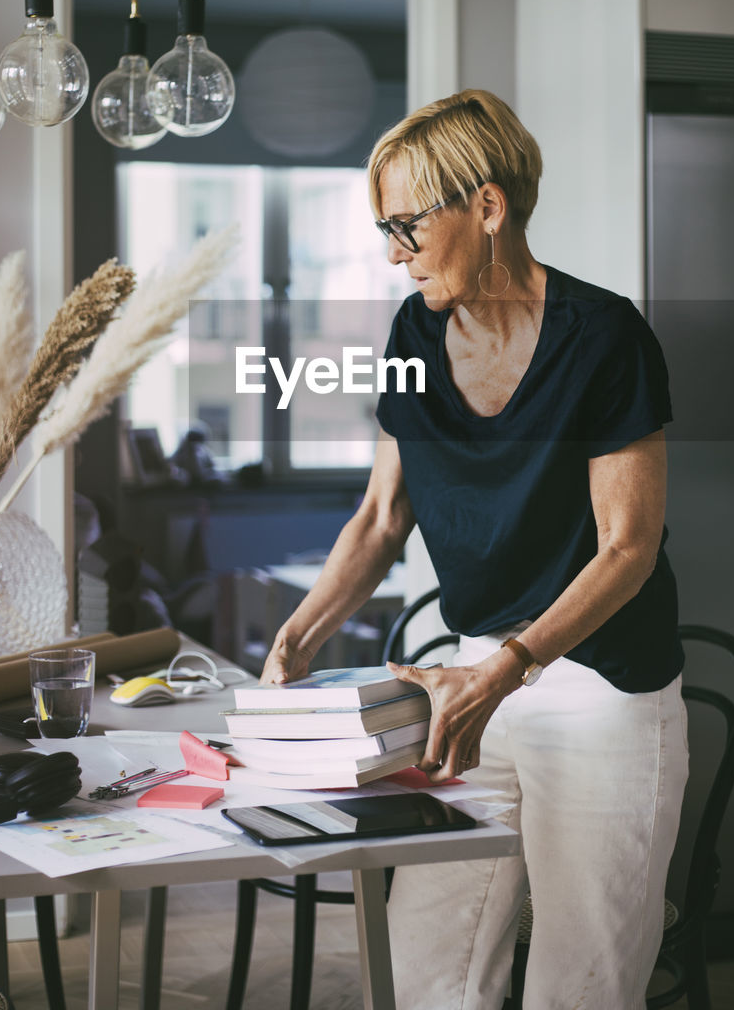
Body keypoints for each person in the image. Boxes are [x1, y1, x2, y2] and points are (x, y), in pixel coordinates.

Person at [260, 88, 688, 1010]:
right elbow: (381, 520)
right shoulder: (413, 331)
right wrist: (295, 642)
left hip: (598, 686)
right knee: (429, 967)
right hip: (467, 684)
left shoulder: (603, 336)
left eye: (407, 225)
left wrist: (509, 667)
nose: (391, 254)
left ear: (486, 208)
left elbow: (627, 547)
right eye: (383, 230)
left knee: (579, 984)